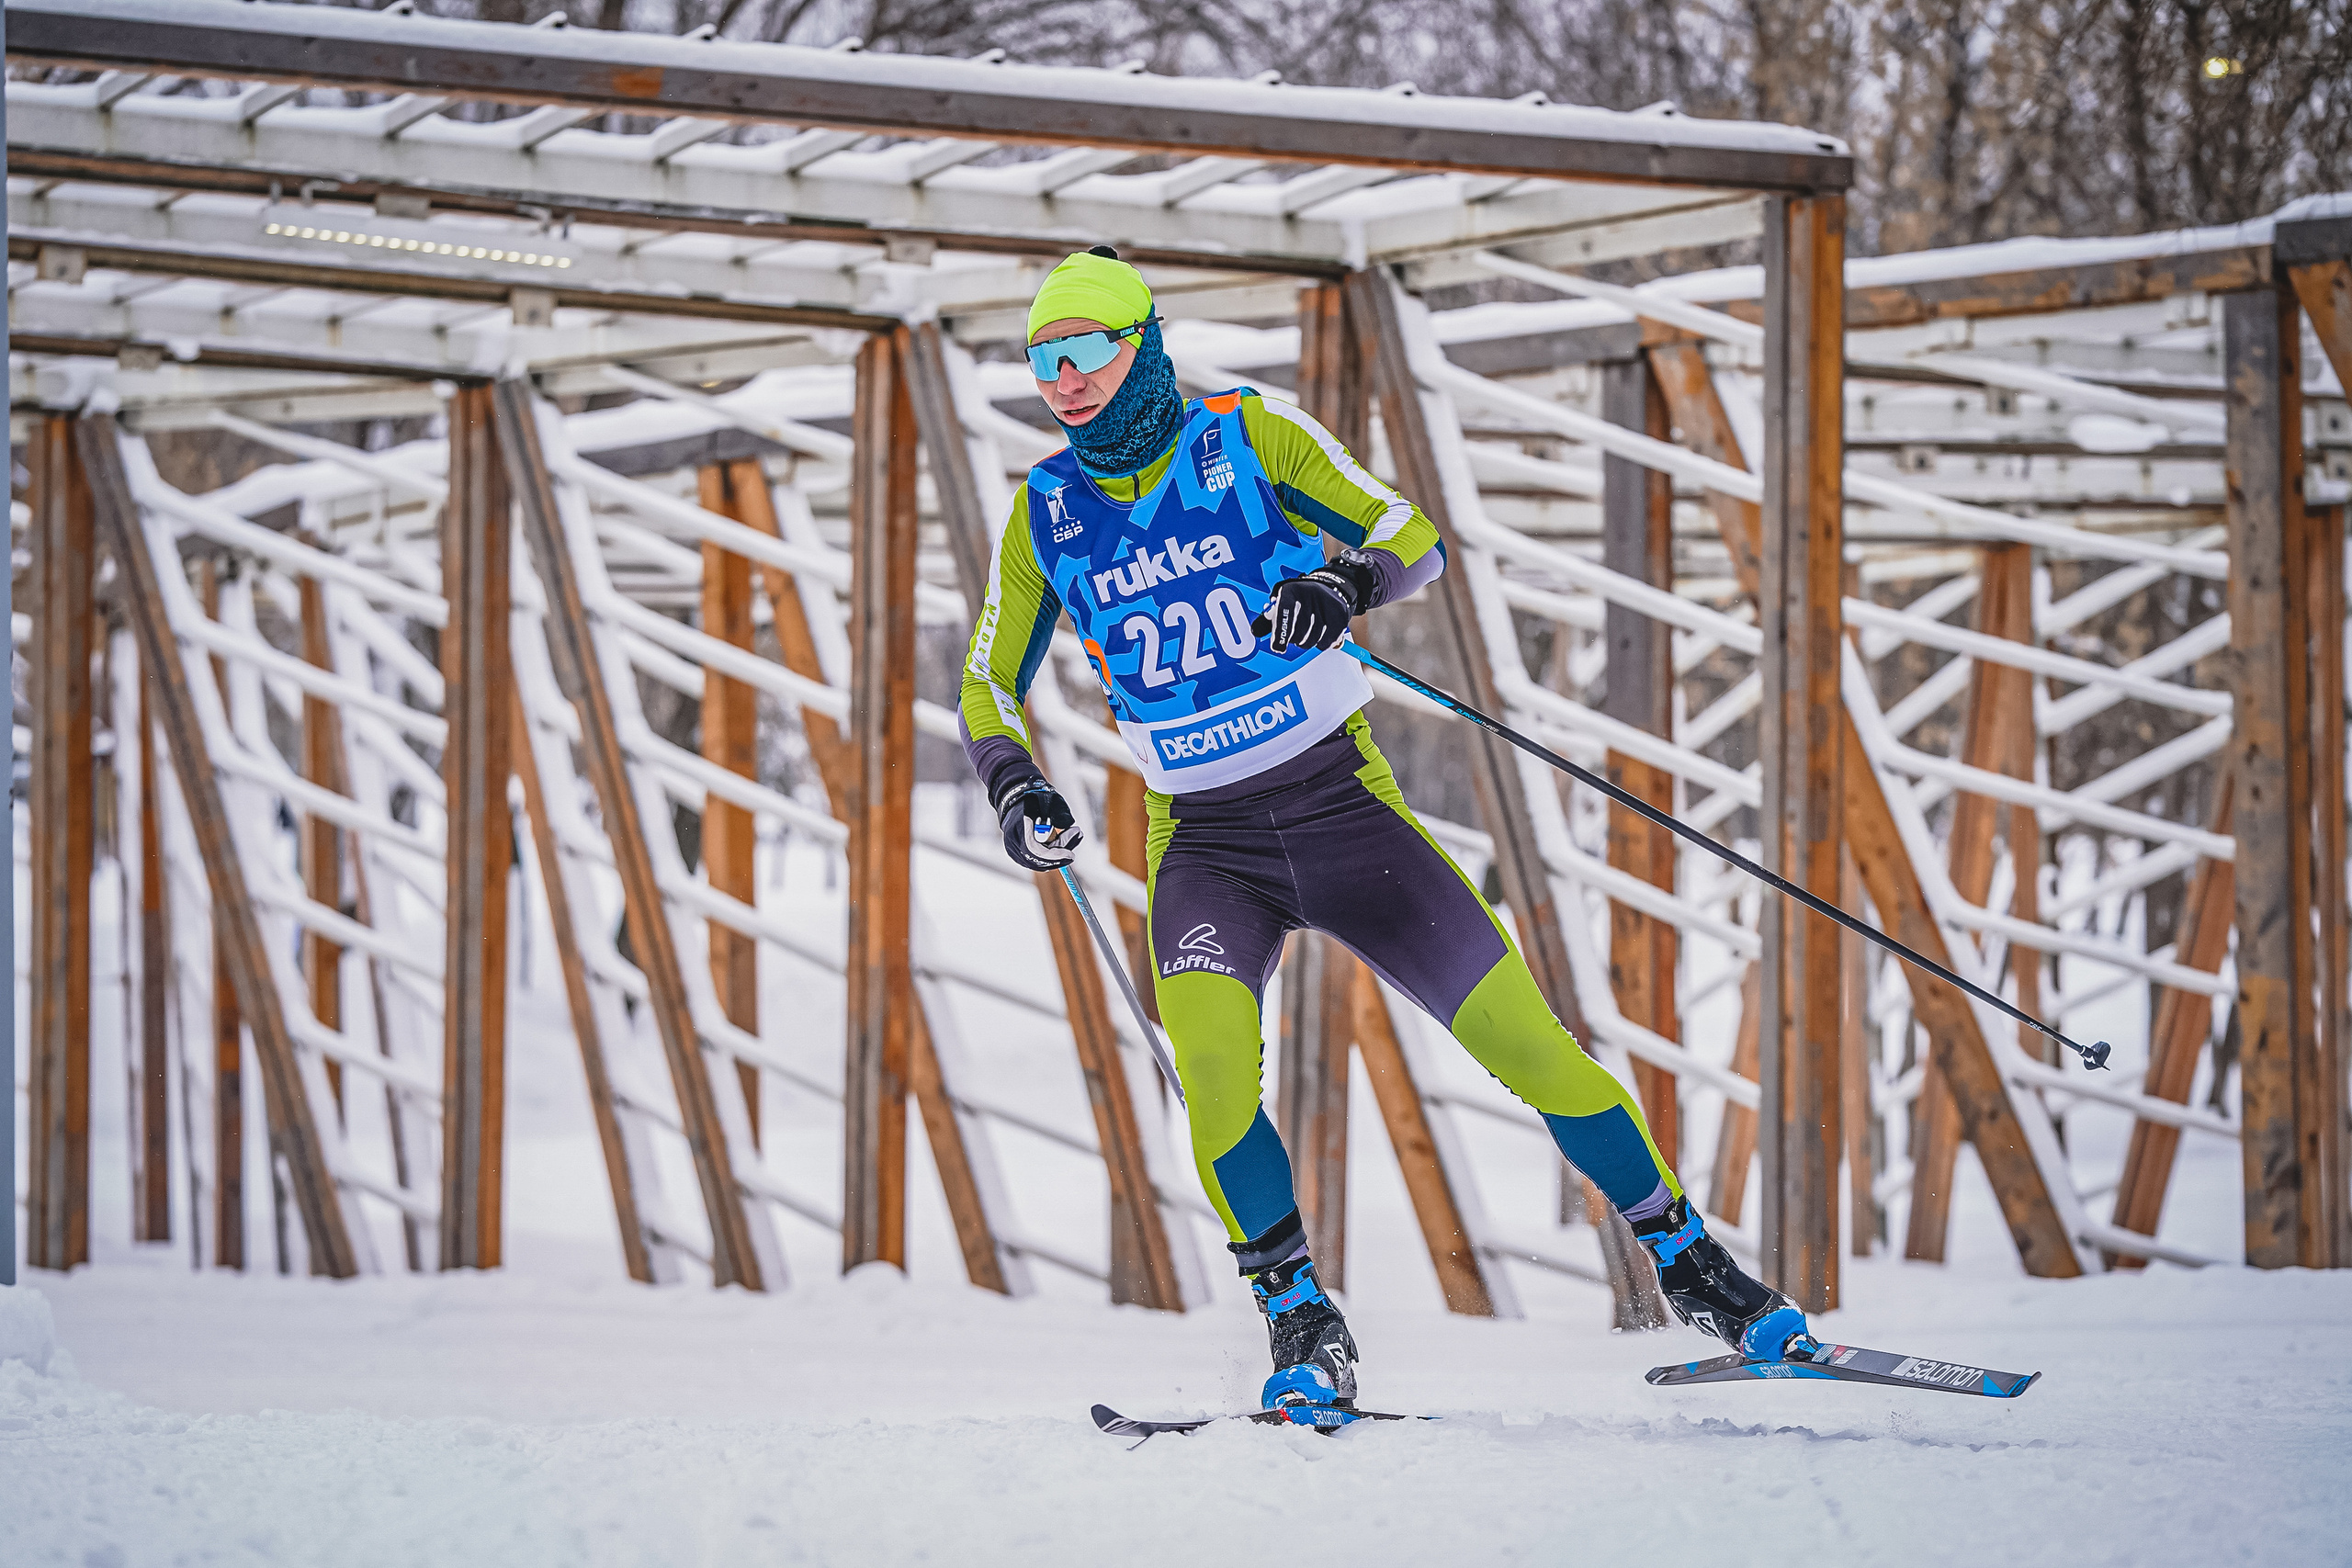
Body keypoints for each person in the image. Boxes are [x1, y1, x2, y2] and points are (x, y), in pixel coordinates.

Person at [958, 247, 1807, 1414]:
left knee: (1532, 1050)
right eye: (1042, 359)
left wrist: (1344, 584)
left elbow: (1411, 536)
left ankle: (1693, 1264)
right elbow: (985, 682)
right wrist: (1016, 784)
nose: (1063, 378)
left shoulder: (1248, 438)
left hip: (1343, 814)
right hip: (1205, 848)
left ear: (1141, 344)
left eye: (1085, 350)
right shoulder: (1045, 511)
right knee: (1212, 1079)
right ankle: (1301, 1320)